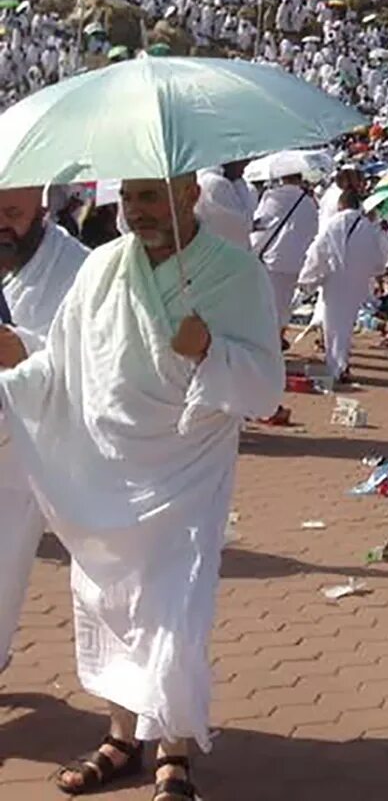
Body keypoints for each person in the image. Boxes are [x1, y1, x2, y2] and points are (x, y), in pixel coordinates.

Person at [0, 175, 283, 800]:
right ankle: (121, 737)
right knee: (109, 604)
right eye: (129, 198)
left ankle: (173, 753)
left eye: (151, 197)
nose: (136, 211)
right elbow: (65, 362)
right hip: (104, 475)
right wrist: (15, 359)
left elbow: (266, 386)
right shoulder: (102, 268)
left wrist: (211, 349)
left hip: (185, 474)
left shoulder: (236, 274)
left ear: (189, 197)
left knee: (176, 613)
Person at [0, 185, 88, 679]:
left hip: (21, 452)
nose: (3, 225)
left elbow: (93, 356)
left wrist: (24, 349)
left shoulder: (78, 268)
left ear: (41, 207)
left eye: (13, 212)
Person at [297, 189, 387, 385]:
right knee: (346, 324)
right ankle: (341, 363)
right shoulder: (367, 226)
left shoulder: (334, 223)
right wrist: (373, 276)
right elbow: (377, 258)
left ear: (341, 204)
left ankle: (336, 366)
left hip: (336, 279)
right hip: (357, 281)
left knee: (333, 325)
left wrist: (307, 277)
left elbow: (318, 250)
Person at [248, 172, 316, 337]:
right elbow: (313, 232)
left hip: (272, 258)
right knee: (284, 303)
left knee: (266, 303)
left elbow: (261, 227)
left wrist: (254, 250)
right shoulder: (308, 202)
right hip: (296, 260)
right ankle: (278, 335)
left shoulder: (272, 197)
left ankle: (269, 340)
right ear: (299, 179)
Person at [192, 162, 254, 250]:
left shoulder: (204, 178)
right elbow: (245, 224)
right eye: (242, 162)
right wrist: (238, 182)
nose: (244, 169)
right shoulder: (216, 183)